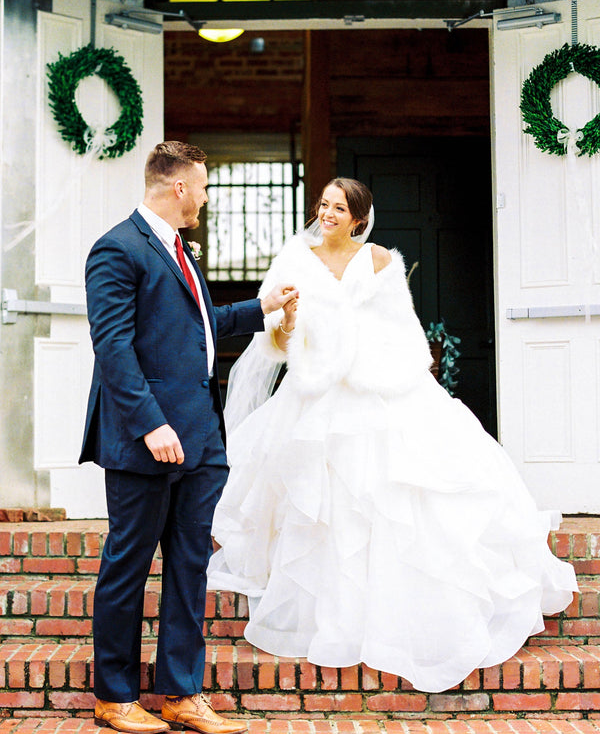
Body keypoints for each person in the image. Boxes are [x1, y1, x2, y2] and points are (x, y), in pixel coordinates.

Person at [207, 176, 578, 695]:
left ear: (359, 217)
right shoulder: (294, 259)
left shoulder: (381, 261)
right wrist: (287, 321)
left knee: (393, 502)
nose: (327, 214)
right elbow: (276, 342)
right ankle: (329, 616)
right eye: (323, 205)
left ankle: (396, 613)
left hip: (378, 391)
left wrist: (384, 372)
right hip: (314, 396)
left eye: (339, 207)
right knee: (325, 508)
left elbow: (404, 332)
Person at [80, 141, 297, 734]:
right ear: (178, 187)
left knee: (188, 566)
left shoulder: (180, 251)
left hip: (201, 440)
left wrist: (263, 307)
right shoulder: (117, 249)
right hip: (142, 441)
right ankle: (114, 696)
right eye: (202, 187)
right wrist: (151, 424)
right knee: (127, 566)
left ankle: (181, 694)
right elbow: (114, 349)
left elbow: (201, 330)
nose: (205, 197)